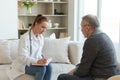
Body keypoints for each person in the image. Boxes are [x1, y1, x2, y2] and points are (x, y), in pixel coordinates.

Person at [57, 14, 120, 80]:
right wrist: (76, 68)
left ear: (87, 27)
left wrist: (73, 73)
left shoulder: (92, 40)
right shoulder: (104, 36)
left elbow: (83, 71)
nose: (81, 30)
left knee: (62, 77)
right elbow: (87, 63)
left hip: (101, 77)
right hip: (113, 75)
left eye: (81, 27)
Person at [7, 14, 52, 80]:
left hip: (35, 63)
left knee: (50, 67)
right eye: (42, 27)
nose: (44, 30)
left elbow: (39, 54)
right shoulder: (25, 38)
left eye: (45, 28)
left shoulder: (41, 38)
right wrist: (37, 61)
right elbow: (22, 58)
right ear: (36, 24)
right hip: (24, 64)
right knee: (41, 69)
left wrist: (43, 60)